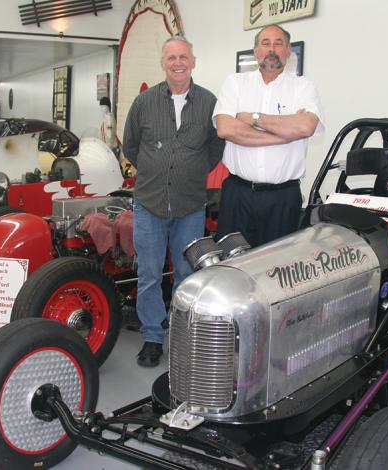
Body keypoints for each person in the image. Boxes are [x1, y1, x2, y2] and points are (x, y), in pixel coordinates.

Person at [123, 36, 225, 367]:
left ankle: (181, 337)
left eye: (183, 57)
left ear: (193, 62)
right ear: (163, 63)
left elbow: (215, 148)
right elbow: (130, 146)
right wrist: (158, 170)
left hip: (191, 205)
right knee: (150, 274)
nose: (177, 62)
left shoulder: (210, 102)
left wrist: (188, 172)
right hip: (149, 204)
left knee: (186, 274)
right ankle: (152, 337)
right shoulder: (144, 102)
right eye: (171, 58)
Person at [213, 24, 324, 247]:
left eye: (278, 43)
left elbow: (305, 127)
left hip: (282, 199)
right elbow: (225, 128)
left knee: (277, 270)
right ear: (255, 51)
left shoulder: (302, 87)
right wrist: (284, 134)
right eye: (265, 43)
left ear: (288, 50)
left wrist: (253, 118)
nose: (271, 49)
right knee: (231, 265)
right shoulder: (235, 83)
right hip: (237, 196)